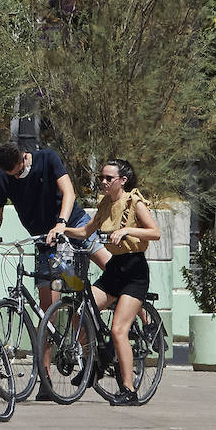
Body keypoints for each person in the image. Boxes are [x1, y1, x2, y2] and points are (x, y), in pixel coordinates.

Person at [0, 143, 109, 401]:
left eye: (18, 172)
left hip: (73, 226)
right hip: (47, 243)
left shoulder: (47, 158)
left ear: (25, 158)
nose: (15, 178)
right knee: (47, 308)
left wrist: (62, 223)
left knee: (111, 267)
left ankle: (141, 314)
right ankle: (46, 380)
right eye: (10, 175)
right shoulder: (4, 176)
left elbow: (69, 192)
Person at [64, 159, 161, 406]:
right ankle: (94, 363)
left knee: (119, 329)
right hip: (114, 269)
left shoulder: (134, 202)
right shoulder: (105, 203)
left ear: (122, 180)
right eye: (102, 178)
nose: (104, 182)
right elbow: (86, 231)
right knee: (80, 311)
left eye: (109, 178)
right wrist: (60, 229)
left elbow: (154, 232)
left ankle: (129, 390)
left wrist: (128, 231)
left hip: (134, 271)